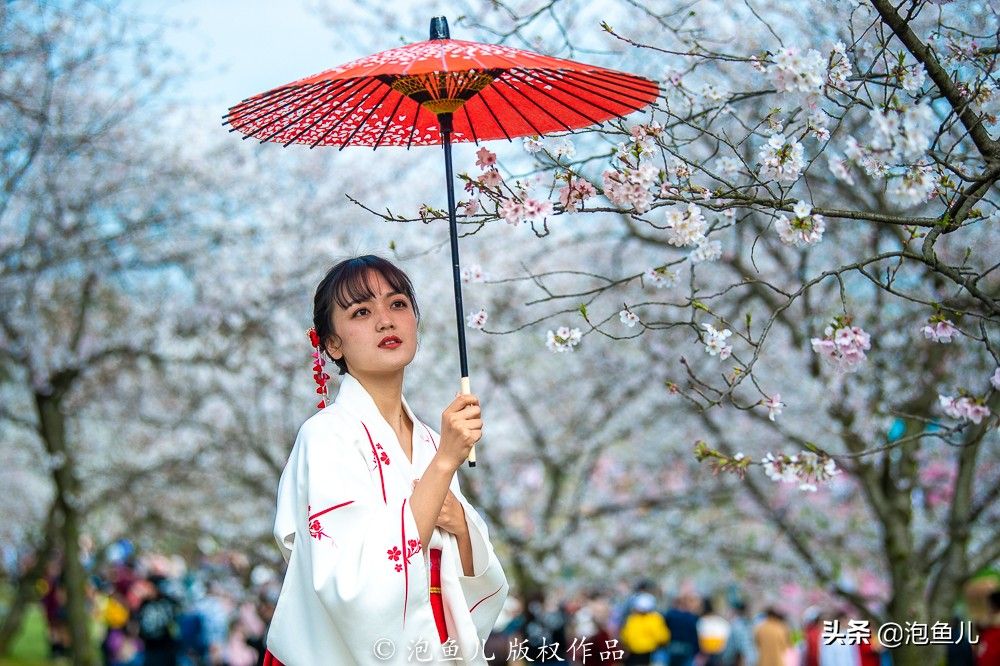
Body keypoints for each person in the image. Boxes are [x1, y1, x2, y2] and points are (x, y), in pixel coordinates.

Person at [264, 256, 509, 665]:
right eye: (361, 311)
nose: (385, 320)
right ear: (332, 343)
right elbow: (350, 585)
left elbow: (475, 587)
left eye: (397, 304)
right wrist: (445, 465)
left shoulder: (432, 440)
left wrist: (464, 531)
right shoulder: (325, 436)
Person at [620, 592, 670, 665]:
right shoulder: (655, 619)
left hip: (636, 655)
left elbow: (625, 637)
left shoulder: (631, 619)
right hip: (650, 654)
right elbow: (663, 637)